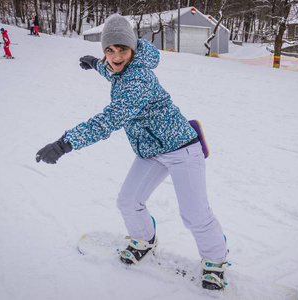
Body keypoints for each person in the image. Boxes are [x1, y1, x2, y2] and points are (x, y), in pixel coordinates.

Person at [36, 14, 229, 290]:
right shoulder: (118, 65)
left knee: (194, 212)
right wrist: (94, 64)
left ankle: (215, 261)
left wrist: (65, 143)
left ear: (133, 50)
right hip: (151, 150)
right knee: (128, 201)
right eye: (109, 50)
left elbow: (109, 120)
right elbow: (112, 70)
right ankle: (145, 240)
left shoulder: (138, 81)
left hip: (181, 149)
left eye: (122, 49)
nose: (115, 56)